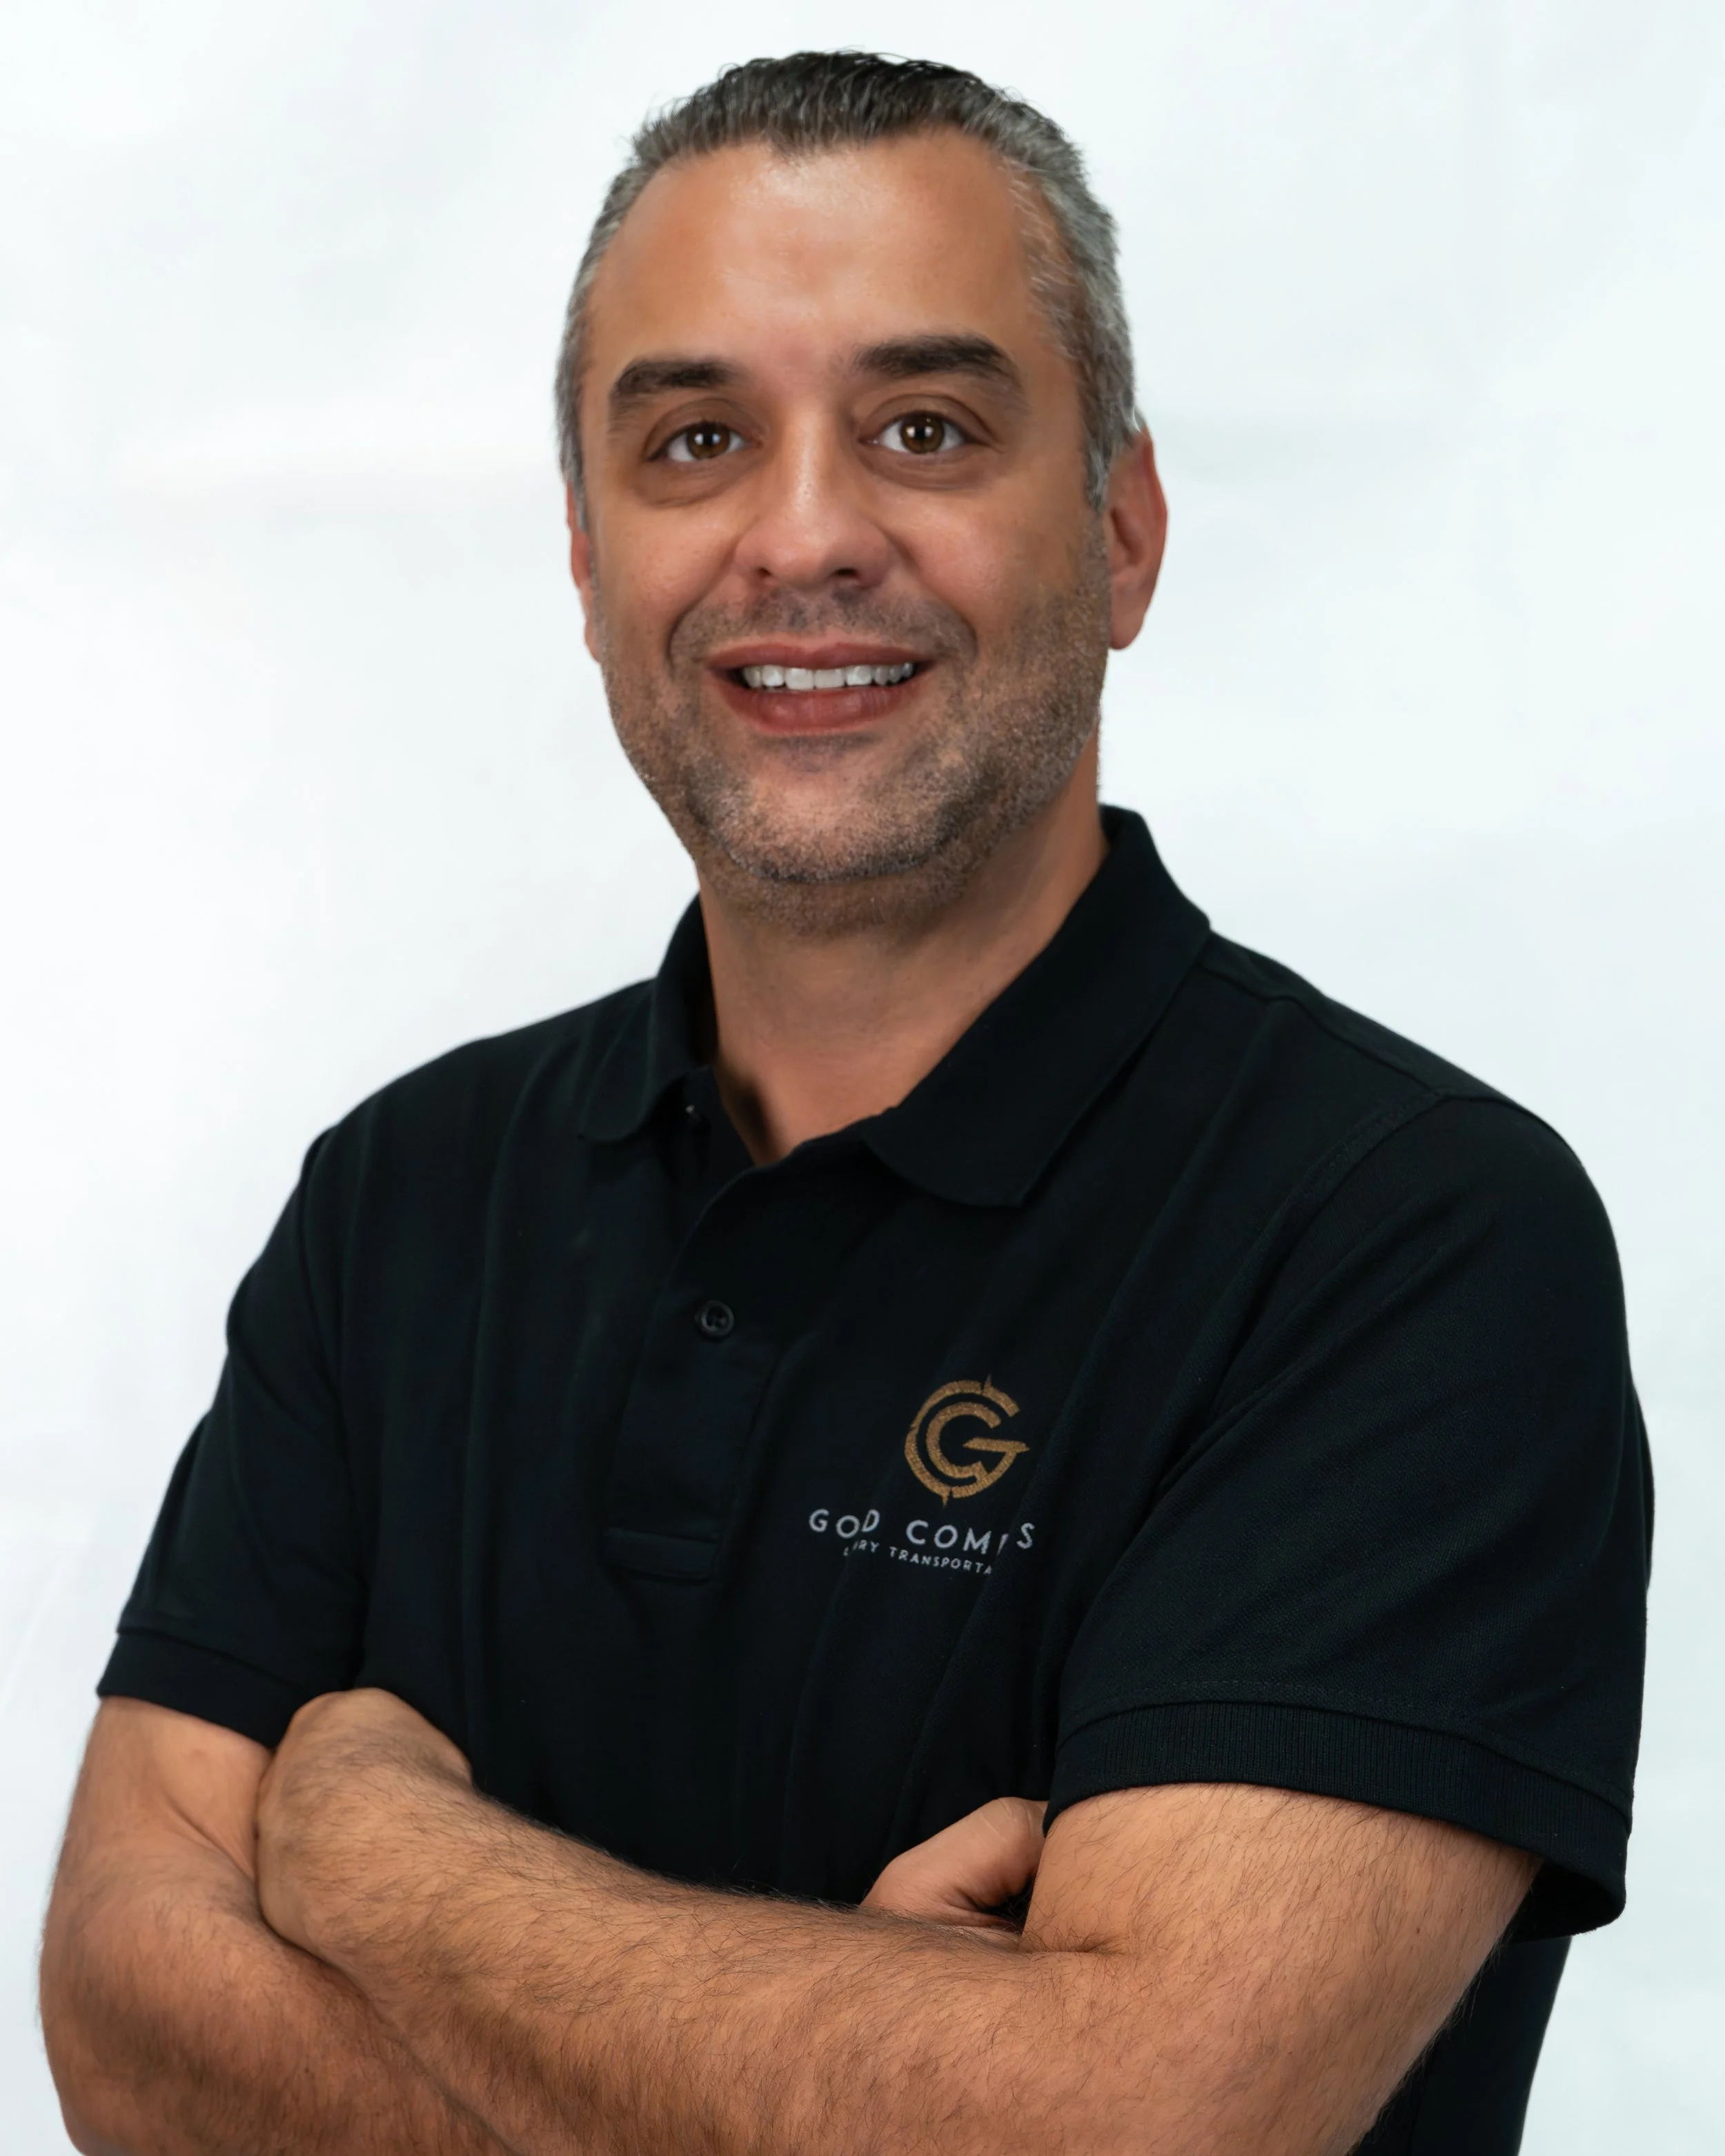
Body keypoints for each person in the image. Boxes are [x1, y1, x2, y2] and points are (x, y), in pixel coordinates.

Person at [40, 51, 1648, 2156]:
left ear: (1122, 531)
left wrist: (372, 1855)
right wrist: (858, 2067)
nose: (801, 534)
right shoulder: (403, 1200)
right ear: (587, 552)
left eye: (924, 427)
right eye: (696, 440)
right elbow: (123, 2022)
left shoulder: (1403, 1240)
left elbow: (1132, 2128)